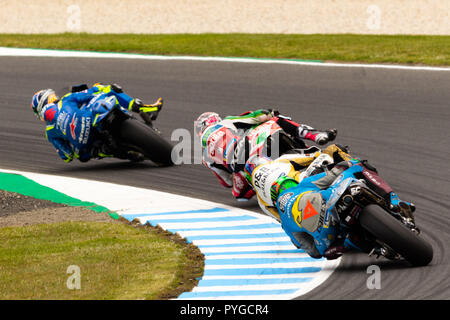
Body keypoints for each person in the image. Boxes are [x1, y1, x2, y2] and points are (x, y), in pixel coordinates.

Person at [246, 144, 417, 260]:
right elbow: (318, 160)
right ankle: (395, 200)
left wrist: (318, 246)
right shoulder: (286, 170)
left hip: (315, 223)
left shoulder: (268, 207)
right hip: (317, 188)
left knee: (326, 249)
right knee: (358, 165)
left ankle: (368, 247)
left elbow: (308, 248)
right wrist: (340, 159)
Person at [194, 109, 337, 201]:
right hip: (250, 147)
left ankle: (265, 186)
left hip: (240, 169)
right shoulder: (227, 122)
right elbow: (257, 116)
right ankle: (315, 135)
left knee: (239, 195)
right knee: (276, 119)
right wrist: (269, 113)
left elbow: (226, 182)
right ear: (215, 120)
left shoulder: (205, 157)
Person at [31, 83, 163, 163]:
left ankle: (112, 152)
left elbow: (67, 156)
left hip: (84, 144)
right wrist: (97, 88)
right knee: (111, 89)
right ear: (49, 98)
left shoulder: (49, 132)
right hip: (89, 119)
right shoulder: (66, 99)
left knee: (81, 155)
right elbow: (89, 94)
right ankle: (146, 109)